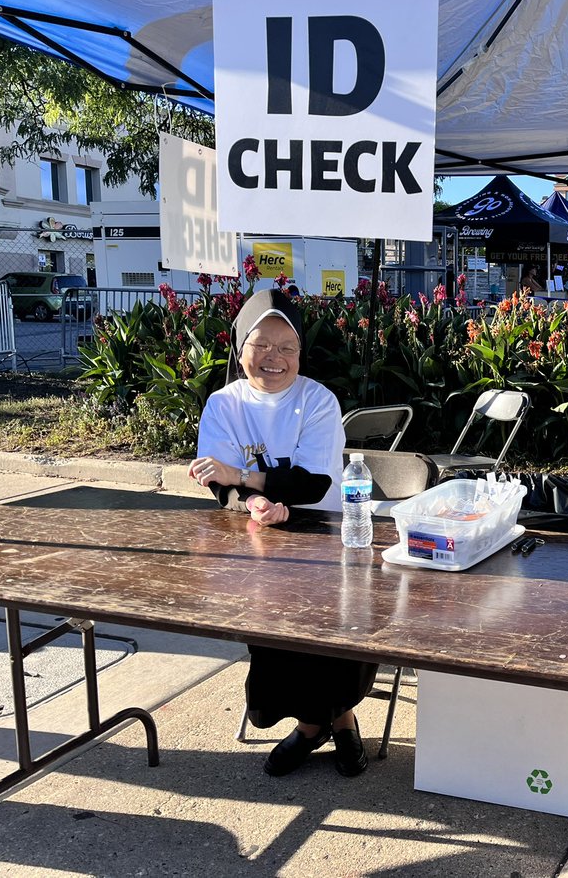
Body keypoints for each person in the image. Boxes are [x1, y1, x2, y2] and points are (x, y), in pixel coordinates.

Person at [188, 290, 378, 778]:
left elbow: (313, 483)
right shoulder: (223, 403)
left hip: (324, 531)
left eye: (287, 347)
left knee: (333, 635)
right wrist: (253, 500)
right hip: (255, 535)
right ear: (239, 347)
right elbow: (216, 477)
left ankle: (325, 726)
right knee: (274, 635)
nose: (274, 358)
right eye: (262, 345)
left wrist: (245, 478)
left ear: (300, 353)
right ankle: (326, 724)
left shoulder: (317, 400)